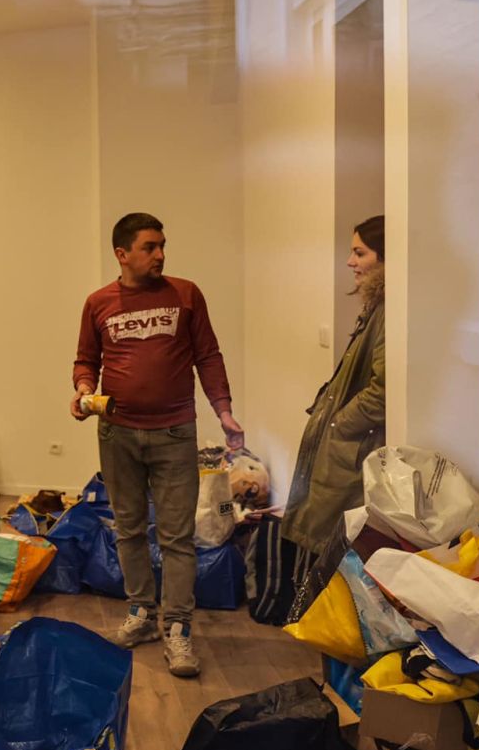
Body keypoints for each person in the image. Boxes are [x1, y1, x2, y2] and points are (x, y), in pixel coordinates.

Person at [72, 212, 244, 678]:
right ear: (122, 254)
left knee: (176, 537)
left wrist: (223, 409)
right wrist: (85, 390)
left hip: (174, 433)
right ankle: (142, 615)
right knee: (127, 529)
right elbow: (86, 360)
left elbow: (208, 355)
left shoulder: (186, 295)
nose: (160, 254)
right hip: (117, 432)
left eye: (163, 245)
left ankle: (179, 630)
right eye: (149, 247)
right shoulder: (98, 303)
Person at [283, 216, 386, 563]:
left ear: (385, 257)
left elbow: (384, 389)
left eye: (360, 252)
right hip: (345, 448)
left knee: (335, 557)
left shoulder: (388, 312)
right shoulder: (376, 309)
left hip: (354, 452)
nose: (350, 261)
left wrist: (340, 422)